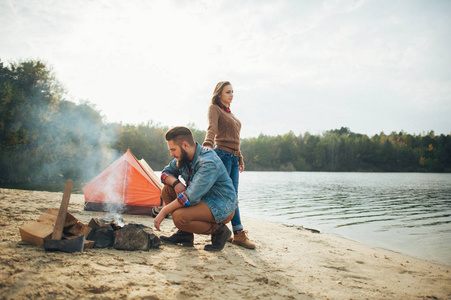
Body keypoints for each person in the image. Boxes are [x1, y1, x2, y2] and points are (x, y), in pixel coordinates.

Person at [154, 126, 238, 251]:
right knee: (167, 190)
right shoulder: (184, 157)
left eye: (173, 149)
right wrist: (176, 183)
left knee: (179, 218)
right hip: (201, 200)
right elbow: (165, 173)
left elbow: (190, 197)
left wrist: (164, 211)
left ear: (185, 145)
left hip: (221, 205)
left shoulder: (208, 162)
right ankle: (185, 235)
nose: (171, 154)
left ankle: (219, 231)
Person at [202, 81, 256, 249]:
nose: (232, 94)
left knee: (232, 196)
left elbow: (235, 139)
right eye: (228, 92)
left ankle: (232, 232)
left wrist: (239, 157)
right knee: (226, 195)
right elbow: (212, 128)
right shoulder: (214, 109)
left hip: (232, 157)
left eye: (232, 92)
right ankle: (233, 232)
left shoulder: (231, 114)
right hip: (223, 156)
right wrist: (208, 144)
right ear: (219, 94)